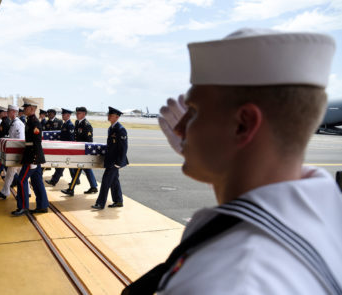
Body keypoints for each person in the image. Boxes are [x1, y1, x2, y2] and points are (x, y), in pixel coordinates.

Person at [122, 28, 341, 295]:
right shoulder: (326, 212)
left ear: (242, 125)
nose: (180, 129)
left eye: (194, 112)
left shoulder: (227, 280)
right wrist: (223, 164)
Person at [11, 98, 49, 216]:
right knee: (37, 181)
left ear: (32, 109)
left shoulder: (35, 123)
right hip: (31, 156)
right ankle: (42, 206)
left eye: (26, 108)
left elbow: (37, 143)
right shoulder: (30, 121)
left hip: (32, 157)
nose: (24, 109)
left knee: (21, 180)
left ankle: (23, 207)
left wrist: (34, 160)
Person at [92, 107, 128, 209]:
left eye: (111, 115)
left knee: (106, 181)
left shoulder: (120, 130)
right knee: (114, 181)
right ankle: (118, 201)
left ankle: (100, 203)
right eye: (109, 114)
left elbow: (123, 148)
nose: (108, 116)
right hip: (111, 160)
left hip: (115, 162)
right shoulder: (111, 128)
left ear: (116, 117)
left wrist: (119, 163)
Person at [61, 107, 98, 196]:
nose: (77, 115)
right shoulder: (77, 123)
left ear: (84, 114)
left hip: (84, 151)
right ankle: (93, 186)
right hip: (79, 150)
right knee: (86, 169)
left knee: (78, 169)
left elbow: (89, 141)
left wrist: (84, 151)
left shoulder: (87, 125)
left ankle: (71, 189)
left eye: (79, 113)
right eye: (77, 113)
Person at [0, 105, 25, 199]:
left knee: (11, 174)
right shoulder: (13, 122)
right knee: (18, 173)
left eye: (9, 111)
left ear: (14, 112)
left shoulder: (18, 124)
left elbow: (20, 140)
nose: (7, 113)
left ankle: (5, 192)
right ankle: (26, 192)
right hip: (14, 152)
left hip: (16, 153)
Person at [45, 108, 76, 186]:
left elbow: (71, 139)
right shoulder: (65, 124)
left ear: (68, 115)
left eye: (64, 114)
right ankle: (76, 179)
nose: (62, 115)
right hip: (64, 147)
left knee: (62, 165)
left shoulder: (70, 125)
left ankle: (54, 181)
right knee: (64, 165)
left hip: (67, 148)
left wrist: (68, 148)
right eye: (62, 114)